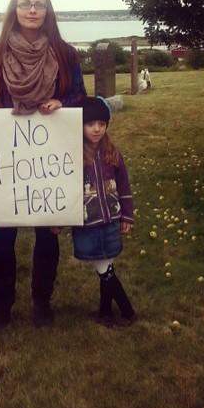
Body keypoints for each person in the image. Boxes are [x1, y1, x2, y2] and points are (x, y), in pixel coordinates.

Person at [0, 0, 86, 328]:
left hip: (50, 158)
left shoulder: (66, 54)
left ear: (48, 11)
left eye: (39, 4)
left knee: (48, 234)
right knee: (2, 237)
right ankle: (2, 306)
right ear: (14, 10)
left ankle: (42, 303)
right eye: (25, 3)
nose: (32, 10)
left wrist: (63, 102)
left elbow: (82, 99)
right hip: (8, 158)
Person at [72, 96, 136, 327]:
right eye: (90, 124)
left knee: (106, 264)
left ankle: (105, 312)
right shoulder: (73, 155)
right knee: (103, 267)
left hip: (111, 220)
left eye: (102, 123)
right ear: (80, 125)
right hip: (87, 222)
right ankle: (127, 310)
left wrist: (127, 214)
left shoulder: (113, 153)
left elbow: (124, 184)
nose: (97, 129)